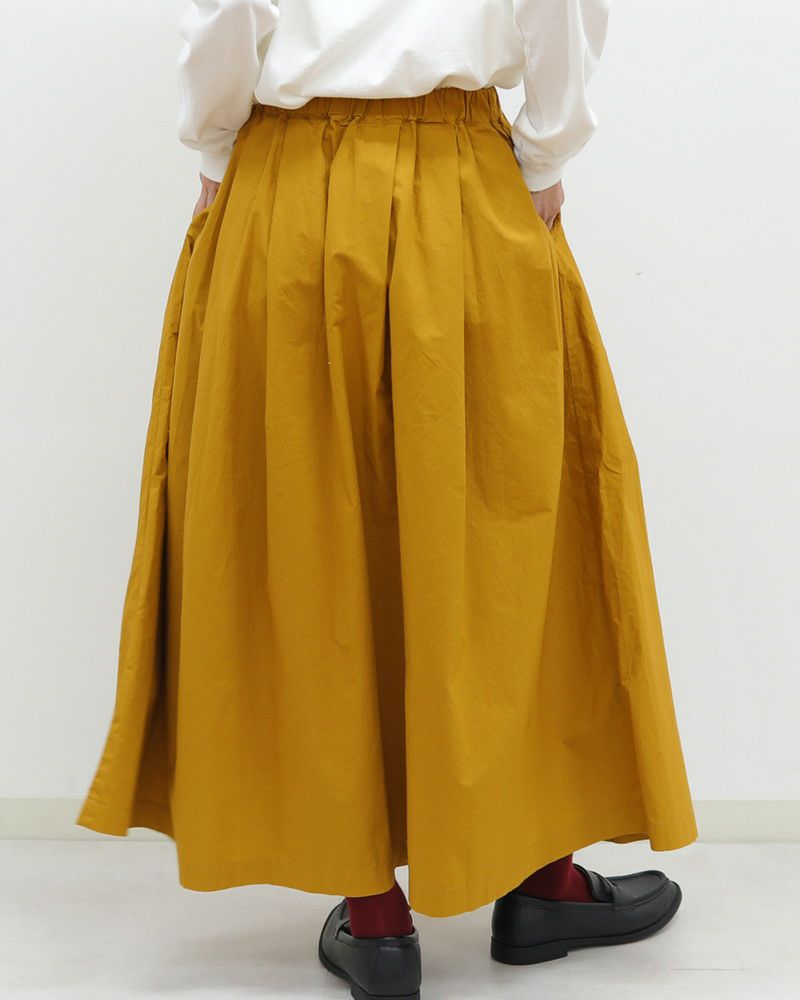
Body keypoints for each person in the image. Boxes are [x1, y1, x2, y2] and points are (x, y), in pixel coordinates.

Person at [76, 2, 698, 997]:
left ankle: (375, 920)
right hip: (462, 182)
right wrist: (545, 152)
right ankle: (541, 879)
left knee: (306, 526)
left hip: (285, 189)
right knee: (503, 528)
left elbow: (224, 18)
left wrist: (215, 145)